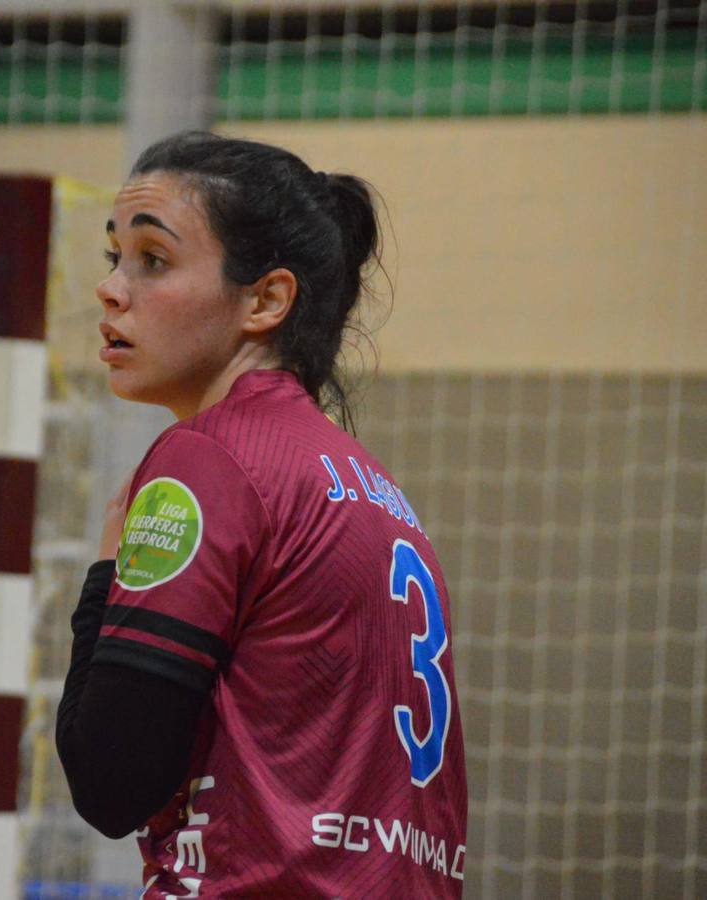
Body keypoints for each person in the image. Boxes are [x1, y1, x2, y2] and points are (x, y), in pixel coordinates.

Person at [56, 131, 467, 898]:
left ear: (267, 300)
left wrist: (104, 580)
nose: (112, 290)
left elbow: (111, 780)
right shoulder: (378, 490)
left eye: (153, 260)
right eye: (113, 259)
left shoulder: (208, 459)